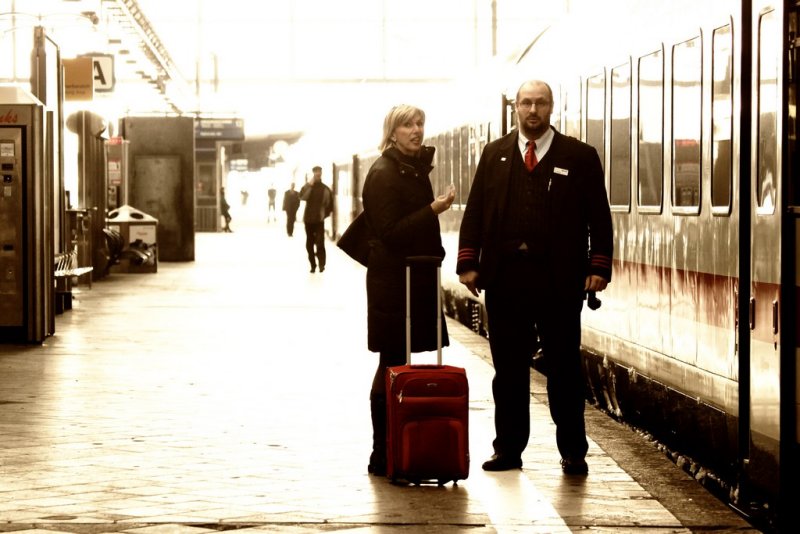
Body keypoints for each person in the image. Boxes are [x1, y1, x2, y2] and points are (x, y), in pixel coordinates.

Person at [456, 80, 613, 475]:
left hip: (559, 281)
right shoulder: (494, 155)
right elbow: (475, 211)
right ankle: (508, 449)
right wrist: (468, 262)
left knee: (564, 369)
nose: (533, 110)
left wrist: (598, 266)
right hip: (505, 279)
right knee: (508, 372)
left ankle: (573, 450)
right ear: (515, 108)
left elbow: (599, 216)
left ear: (551, 107)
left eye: (540, 103)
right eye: (526, 102)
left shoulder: (579, 156)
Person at [360, 104, 456, 476]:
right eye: (407, 125)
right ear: (392, 132)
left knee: (397, 362)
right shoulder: (384, 172)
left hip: (410, 279)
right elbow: (387, 231)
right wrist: (432, 209)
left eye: (420, 123)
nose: (416, 130)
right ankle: (382, 452)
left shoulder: (410, 168)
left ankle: (399, 447)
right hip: (393, 283)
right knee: (391, 361)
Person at [299, 166, 333, 272]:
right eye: (316, 173)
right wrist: (309, 185)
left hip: (319, 220)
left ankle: (322, 264)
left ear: (321, 173)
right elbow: (302, 197)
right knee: (309, 243)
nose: (318, 174)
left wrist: (324, 214)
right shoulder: (309, 186)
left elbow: (329, 204)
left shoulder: (325, 189)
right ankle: (313, 265)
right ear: (313, 174)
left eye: (319, 172)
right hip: (308, 219)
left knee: (320, 242)